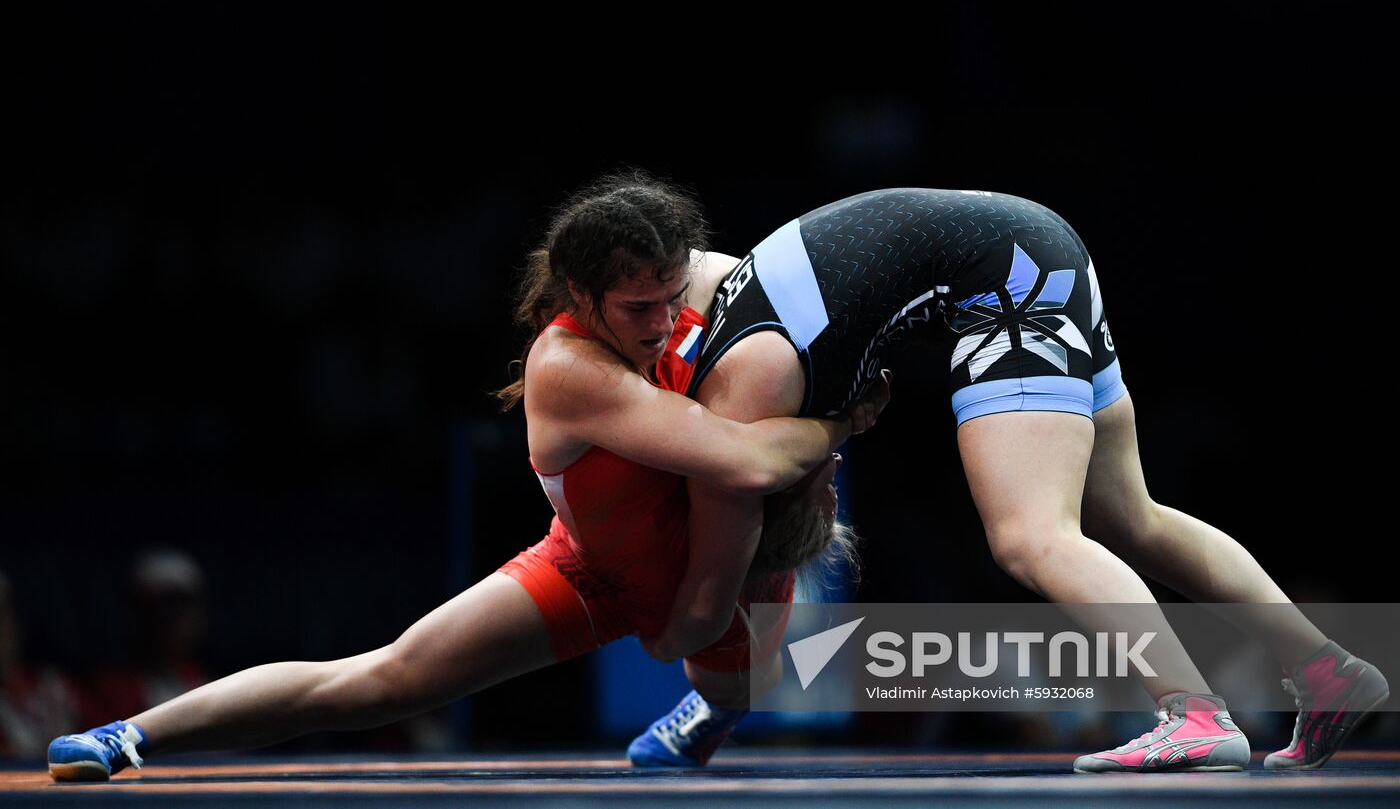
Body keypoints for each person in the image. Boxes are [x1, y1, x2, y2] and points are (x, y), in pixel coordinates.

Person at [45, 171, 889, 782]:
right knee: (379, 681)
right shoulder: (566, 366)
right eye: (639, 309)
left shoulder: (698, 281)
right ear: (579, 294)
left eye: (673, 296)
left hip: (732, 559)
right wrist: (840, 423)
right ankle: (129, 737)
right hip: (587, 573)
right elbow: (745, 456)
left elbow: (784, 309)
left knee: (740, 680)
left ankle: (713, 709)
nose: (664, 323)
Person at [626, 187, 1388, 773]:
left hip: (1006, 282)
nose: (833, 488)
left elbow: (744, 509)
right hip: (1035, 243)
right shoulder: (706, 297)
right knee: (1131, 518)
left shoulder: (742, 380)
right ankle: (1326, 671)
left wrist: (677, 631)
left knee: (1031, 537)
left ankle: (1194, 716)